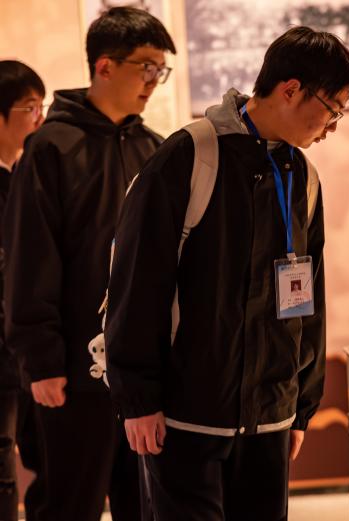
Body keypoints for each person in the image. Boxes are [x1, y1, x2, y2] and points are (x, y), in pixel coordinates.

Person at [104, 26, 349, 520]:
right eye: (332, 110)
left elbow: (310, 299)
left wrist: (300, 406)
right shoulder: (188, 157)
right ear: (291, 89)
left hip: (270, 416)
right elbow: (136, 284)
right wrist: (138, 398)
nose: (332, 127)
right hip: (186, 418)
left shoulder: (303, 177)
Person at [2, 7, 176, 521]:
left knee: (143, 504)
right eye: (146, 67)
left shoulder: (155, 149)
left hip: (140, 375)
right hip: (70, 374)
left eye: (160, 69)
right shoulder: (49, 148)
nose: (154, 80)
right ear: (105, 66)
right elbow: (30, 259)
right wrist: (42, 361)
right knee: (68, 503)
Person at [0, 59, 45, 521]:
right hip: (4, 353)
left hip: (28, 351)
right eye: (30, 107)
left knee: (39, 459)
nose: (40, 118)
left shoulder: (27, 175)